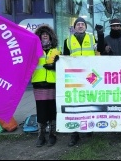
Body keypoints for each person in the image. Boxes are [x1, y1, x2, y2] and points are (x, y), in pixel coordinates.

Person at [63, 17, 99, 146]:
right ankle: (75, 133)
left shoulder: (92, 38)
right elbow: (64, 58)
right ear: (74, 27)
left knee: (90, 101)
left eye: (82, 24)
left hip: (90, 75)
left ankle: (89, 127)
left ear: (85, 27)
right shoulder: (67, 41)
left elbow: (98, 54)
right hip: (75, 76)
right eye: (78, 24)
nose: (80, 26)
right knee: (75, 103)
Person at [31, 24, 60, 147]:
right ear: (39, 37)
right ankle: (41, 135)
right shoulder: (33, 51)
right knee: (41, 110)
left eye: (47, 35)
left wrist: (56, 65)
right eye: (42, 35)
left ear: (51, 37)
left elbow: (63, 67)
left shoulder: (57, 51)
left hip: (53, 84)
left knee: (52, 110)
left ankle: (52, 135)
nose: (45, 36)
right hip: (39, 83)